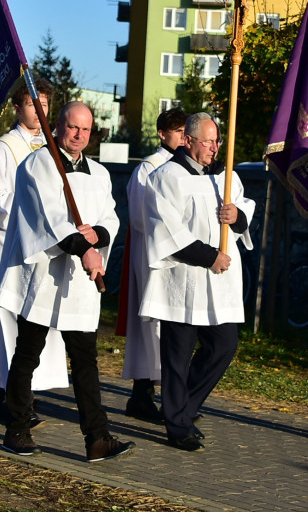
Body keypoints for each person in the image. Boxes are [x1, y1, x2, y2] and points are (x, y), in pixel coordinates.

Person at [0, 101, 133, 463]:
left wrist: (96, 236)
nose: (79, 135)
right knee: (28, 354)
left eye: (86, 129)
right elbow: (49, 218)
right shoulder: (38, 165)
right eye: (73, 127)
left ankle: (97, 439)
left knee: (86, 361)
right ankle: (17, 429)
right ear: (57, 125)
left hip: (81, 284)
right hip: (44, 275)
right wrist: (83, 248)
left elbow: (110, 218)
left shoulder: (99, 173)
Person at [142, 113, 255, 451]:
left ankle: (183, 408)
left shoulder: (226, 177)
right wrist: (209, 257)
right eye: (208, 141)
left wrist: (237, 216)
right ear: (188, 140)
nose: (214, 148)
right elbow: (167, 229)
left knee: (224, 345)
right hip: (182, 278)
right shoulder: (165, 177)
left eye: (217, 141)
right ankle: (178, 426)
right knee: (176, 358)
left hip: (217, 284)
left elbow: (245, 210)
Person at [0, 78, 68, 420]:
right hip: (9, 250)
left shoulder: (53, 148)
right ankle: (4, 397)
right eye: (31, 104)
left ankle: (24, 394)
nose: (39, 111)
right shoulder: (4, 149)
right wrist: (30, 209)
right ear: (16, 108)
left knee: (36, 324)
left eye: (44, 105)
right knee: (8, 323)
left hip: (44, 250)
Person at [121, 107, 187, 422]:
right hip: (153, 256)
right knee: (152, 327)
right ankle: (147, 395)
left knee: (172, 328)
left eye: (186, 132)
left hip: (181, 256)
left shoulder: (186, 168)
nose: (184, 138)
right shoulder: (148, 169)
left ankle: (157, 397)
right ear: (162, 134)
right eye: (178, 132)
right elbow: (138, 218)